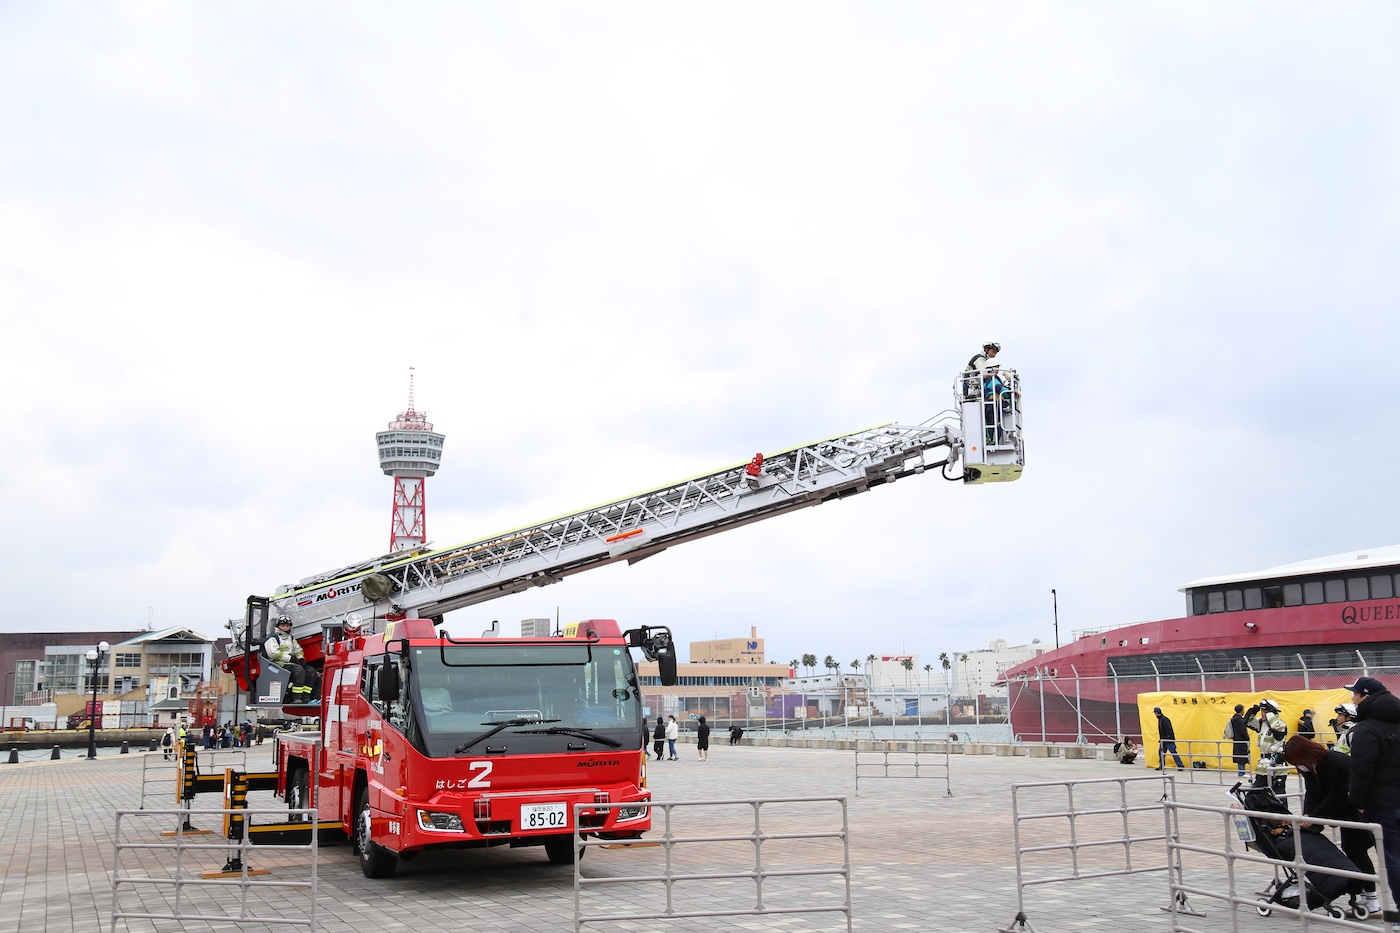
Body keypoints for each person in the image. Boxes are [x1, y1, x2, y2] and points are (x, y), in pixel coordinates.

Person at [1281, 735, 1380, 915]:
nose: (1298, 767)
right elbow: (1312, 793)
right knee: (1354, 851)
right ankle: (1366, 896)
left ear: (1304, 754)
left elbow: (1338, 795)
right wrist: (1308, 816)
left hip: (1359, 810)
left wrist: (1315, 816)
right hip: (1342, 812)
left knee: (1356, 850)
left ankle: (1371, 899)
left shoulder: (1337, 762)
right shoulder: (1310, 767)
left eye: (1297, 761)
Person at [1345, 677, 1400, 923]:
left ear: (1365, 697)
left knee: (1393, 857)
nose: (1352, 699)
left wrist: (1357, 801)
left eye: (1354, 695)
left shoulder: (1366, 729)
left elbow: (1361, 771)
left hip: (1382, 804)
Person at [263, 615, 319, 701]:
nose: (285, 628)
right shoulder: (273, 638)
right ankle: (296, 697)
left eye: (287, 626)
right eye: (283, 625)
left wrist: (301, 658)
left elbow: (298, 649)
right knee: (299, 671)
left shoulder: (291, 638)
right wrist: (289, 658)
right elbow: (273, 653)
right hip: (278, 664)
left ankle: (306, 696)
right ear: (278, 626)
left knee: (311, 671)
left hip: (291, 663)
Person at [1247, 699, 1288, 791]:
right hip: (1263, 765)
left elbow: (1274, 725)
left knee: (1278, 794)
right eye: (1261, 711)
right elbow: (1248, 722)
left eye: (1264, 711)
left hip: (1276, 766)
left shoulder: (1280, 724)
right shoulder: (1262, 724)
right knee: (1258, 792)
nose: (1262, 714)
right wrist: (1253, 711)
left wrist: (1269, 712)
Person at [1226, 703, 1251, 777]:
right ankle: (1241, 772)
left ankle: (1241, 772)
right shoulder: (1240, 720)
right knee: (1242, 756)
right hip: (1242, 741)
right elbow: (1243, 731)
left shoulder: (1233, 719)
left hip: (1236, 740)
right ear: (1242, 711)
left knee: (1239, 756)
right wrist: (1247, 738)